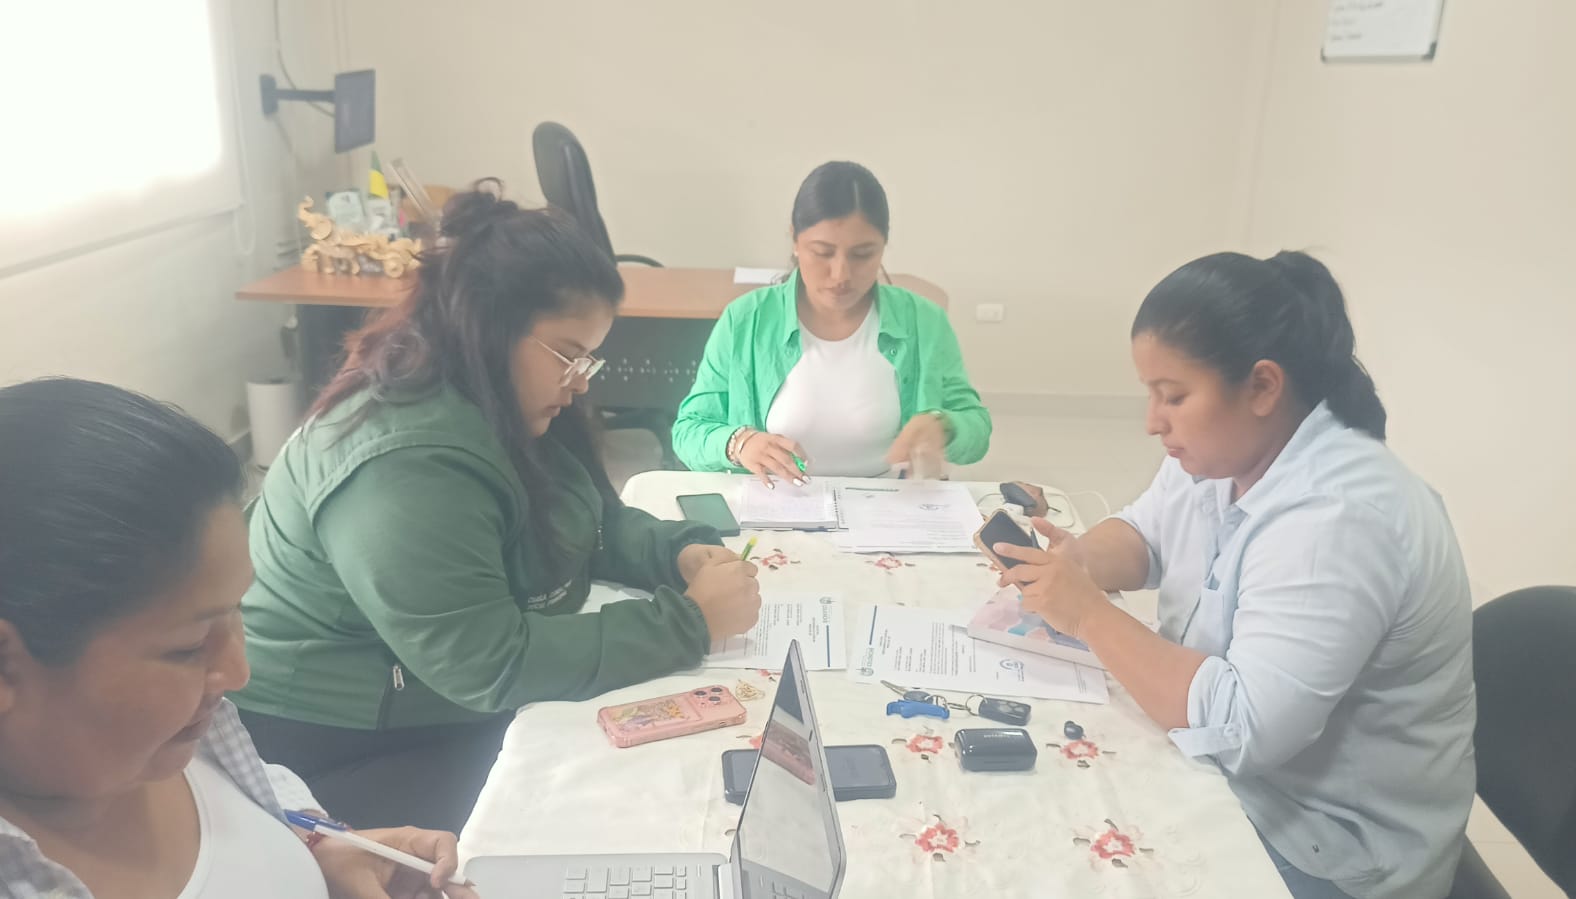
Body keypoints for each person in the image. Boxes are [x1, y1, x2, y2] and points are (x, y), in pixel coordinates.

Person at [233, 180, 762, 833]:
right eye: (569, 356)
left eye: (588, 362)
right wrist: (689, 623)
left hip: (427, 688)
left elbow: (583, 519)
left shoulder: (492, 392)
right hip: (336, 734)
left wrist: (674, 552)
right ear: (491, 327)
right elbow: (488, 663)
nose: (579, 385)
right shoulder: (402, 466)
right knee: (595, 807)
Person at [995, 252, 1475, 899]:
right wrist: (1077, 562)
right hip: (1249, 783)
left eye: (1173, 396)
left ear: (1262, 387)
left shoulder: (1339, 519)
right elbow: (1144, 533)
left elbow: (1239, 729)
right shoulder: (1222, 451)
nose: (1152, 421)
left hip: (1330, 846)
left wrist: (1087, 613)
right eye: (1150, 393)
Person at [0, 378, 473, 899]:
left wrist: (320, 849)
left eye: (236, 610)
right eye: (188, 646)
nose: (238, 673)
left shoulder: (185, 739)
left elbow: (263, 812)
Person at [672, 161, 991, 483]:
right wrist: (740, 443)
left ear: (884, 246)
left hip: (890, 502)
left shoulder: (923, 321)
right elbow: (688, 431)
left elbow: (976, 428)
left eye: (862, 254)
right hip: (778, 502)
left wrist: (944, 426)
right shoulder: (746, 320)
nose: (841, 275)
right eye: (823, 253)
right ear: (795, 240)